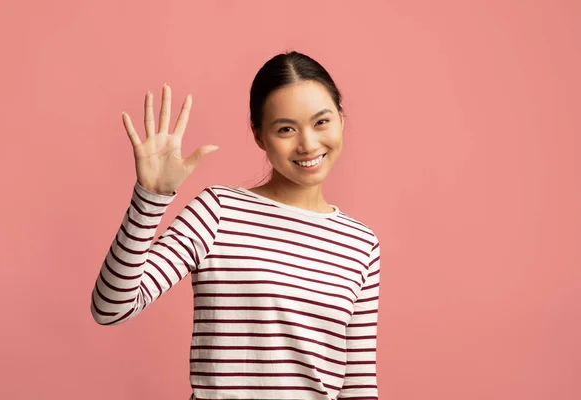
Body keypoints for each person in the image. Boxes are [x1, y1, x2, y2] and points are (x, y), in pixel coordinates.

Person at [91, 51, 381, 400]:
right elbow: (111, 307)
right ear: (259, 136)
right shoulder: (218, 211)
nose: (308, 144)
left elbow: (359, 386)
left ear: (341, 119)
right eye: (286, 128)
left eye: (321, 122)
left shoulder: (361, 244)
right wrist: (150, 198)